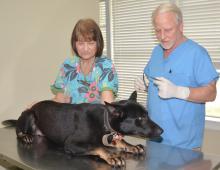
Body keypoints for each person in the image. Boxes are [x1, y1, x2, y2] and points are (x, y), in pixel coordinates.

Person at [135, 3, 218, 150]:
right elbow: (162, 88)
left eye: (168, 30)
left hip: (184, 146)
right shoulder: (156, 52)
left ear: (181, 26)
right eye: (157, 30)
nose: (162, 36)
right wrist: (147, 87)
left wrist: (179, 91)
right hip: (154, 140)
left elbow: (211, 93)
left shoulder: (196, 53)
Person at [51, 18, 118, 104]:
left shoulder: (105, 66)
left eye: (91, 43)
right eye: (81, 43)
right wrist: (39, 106)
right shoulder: (68, 65)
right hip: (69, 116)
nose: (85, 49)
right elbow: (60, 100)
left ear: (98, 43)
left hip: (95, 117)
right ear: (74, 44)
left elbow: (106, 105)